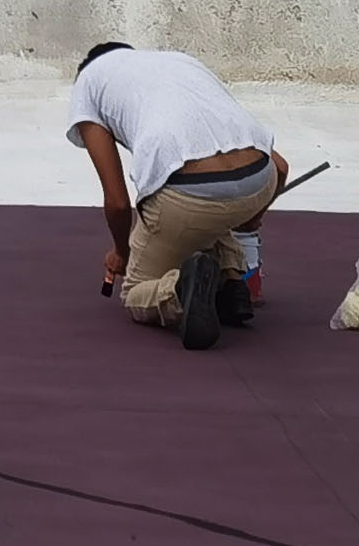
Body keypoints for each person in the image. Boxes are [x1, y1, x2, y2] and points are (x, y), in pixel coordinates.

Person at [64, 40, 285, 350]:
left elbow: (116, 201)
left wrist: (121, 253)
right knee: (217, 209)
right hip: (260, 179)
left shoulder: (88, 82)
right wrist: (253, 216)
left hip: (186, 196)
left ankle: (179, 291)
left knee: (136, 292)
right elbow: (282, 167)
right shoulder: (180, 61)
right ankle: (232, 282)